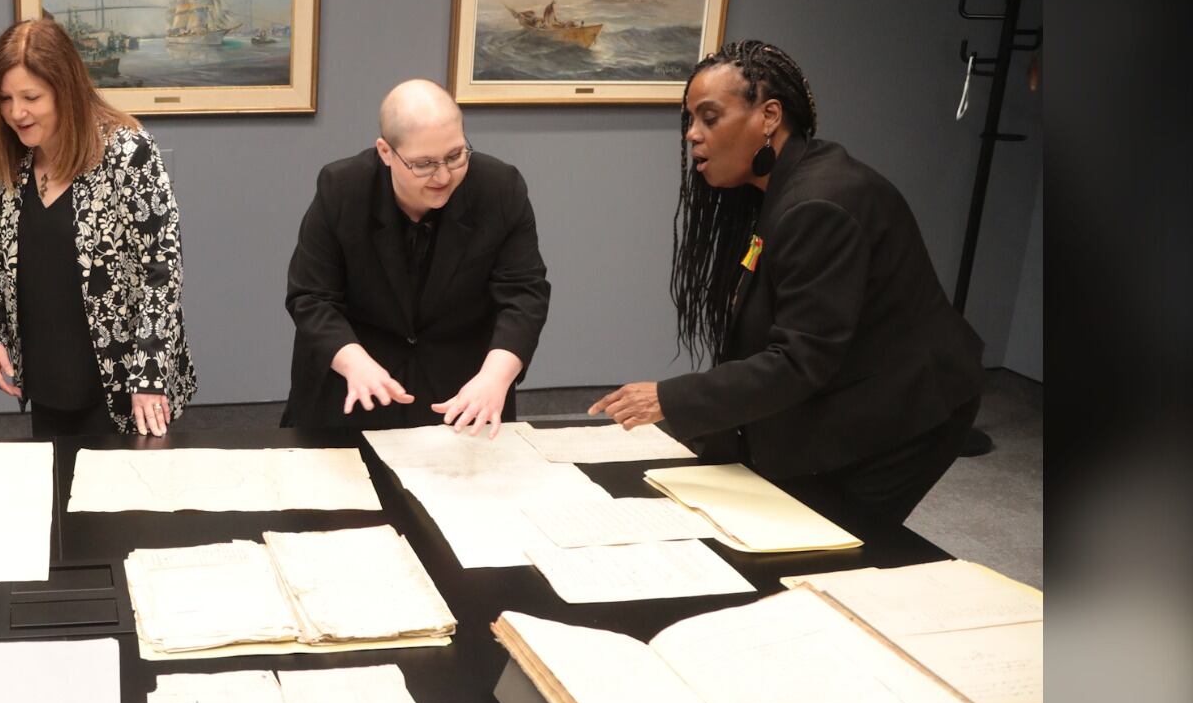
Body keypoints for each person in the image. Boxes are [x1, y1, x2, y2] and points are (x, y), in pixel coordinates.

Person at [589, 40, 984, 525]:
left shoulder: (820, 205)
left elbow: (801, 360)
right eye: (690, 120)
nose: (692, 135)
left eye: (709, 118)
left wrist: (670, 398)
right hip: (847, 386)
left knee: (828, 543)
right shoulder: (775, 190)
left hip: (907, 411)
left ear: (769, 116)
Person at [283, 79, 550, 437]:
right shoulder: (342, 189)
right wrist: (355, 362)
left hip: (462, 392)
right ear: (386, 152)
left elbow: (524, 294)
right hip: (355, 383)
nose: (443, 175)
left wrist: (495, 376)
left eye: (456, 155)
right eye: (423, 164)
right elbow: (311, 297)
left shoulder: (500, 188)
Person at [0, 17, 197, 438]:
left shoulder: (126, 151)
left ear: (66, 89)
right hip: (46, 376)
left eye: (31, 97)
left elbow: (162, 268)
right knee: (56, 495)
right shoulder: (13, 161)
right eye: (5, 99)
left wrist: (148, 375)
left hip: (124, 383)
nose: (16, 113)